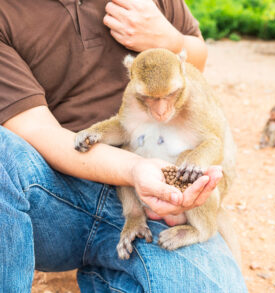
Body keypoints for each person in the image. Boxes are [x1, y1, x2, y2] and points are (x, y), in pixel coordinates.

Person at [0, 0, 247, 292]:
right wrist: (132, 169)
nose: (160, 109)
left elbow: (196, 61)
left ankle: (118, 273)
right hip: (52, 192)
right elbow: (33, 129)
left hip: (160, 194)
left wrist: (168, 40)